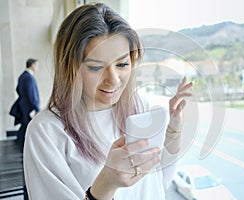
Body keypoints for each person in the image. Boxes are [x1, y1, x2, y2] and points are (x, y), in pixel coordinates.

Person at [24, 3, 193, 200]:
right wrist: (106, 183)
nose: (113, 79)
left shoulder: (140, 108)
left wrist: (173, 130)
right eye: (96, 68)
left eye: (122, 64)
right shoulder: (47, 131)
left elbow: (159, 183)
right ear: (70, 68)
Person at [9, 58, 40, 152]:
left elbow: (18, 89)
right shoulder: (28, 77)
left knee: (25, 126)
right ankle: (21, 147)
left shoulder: (22, 76)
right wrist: (36, 108)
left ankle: (20, 146)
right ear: (33, 65)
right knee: (26, 126)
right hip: (28, 107)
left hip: (24, 105)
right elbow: (31, 94)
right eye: (37, 65)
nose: (37, 68)